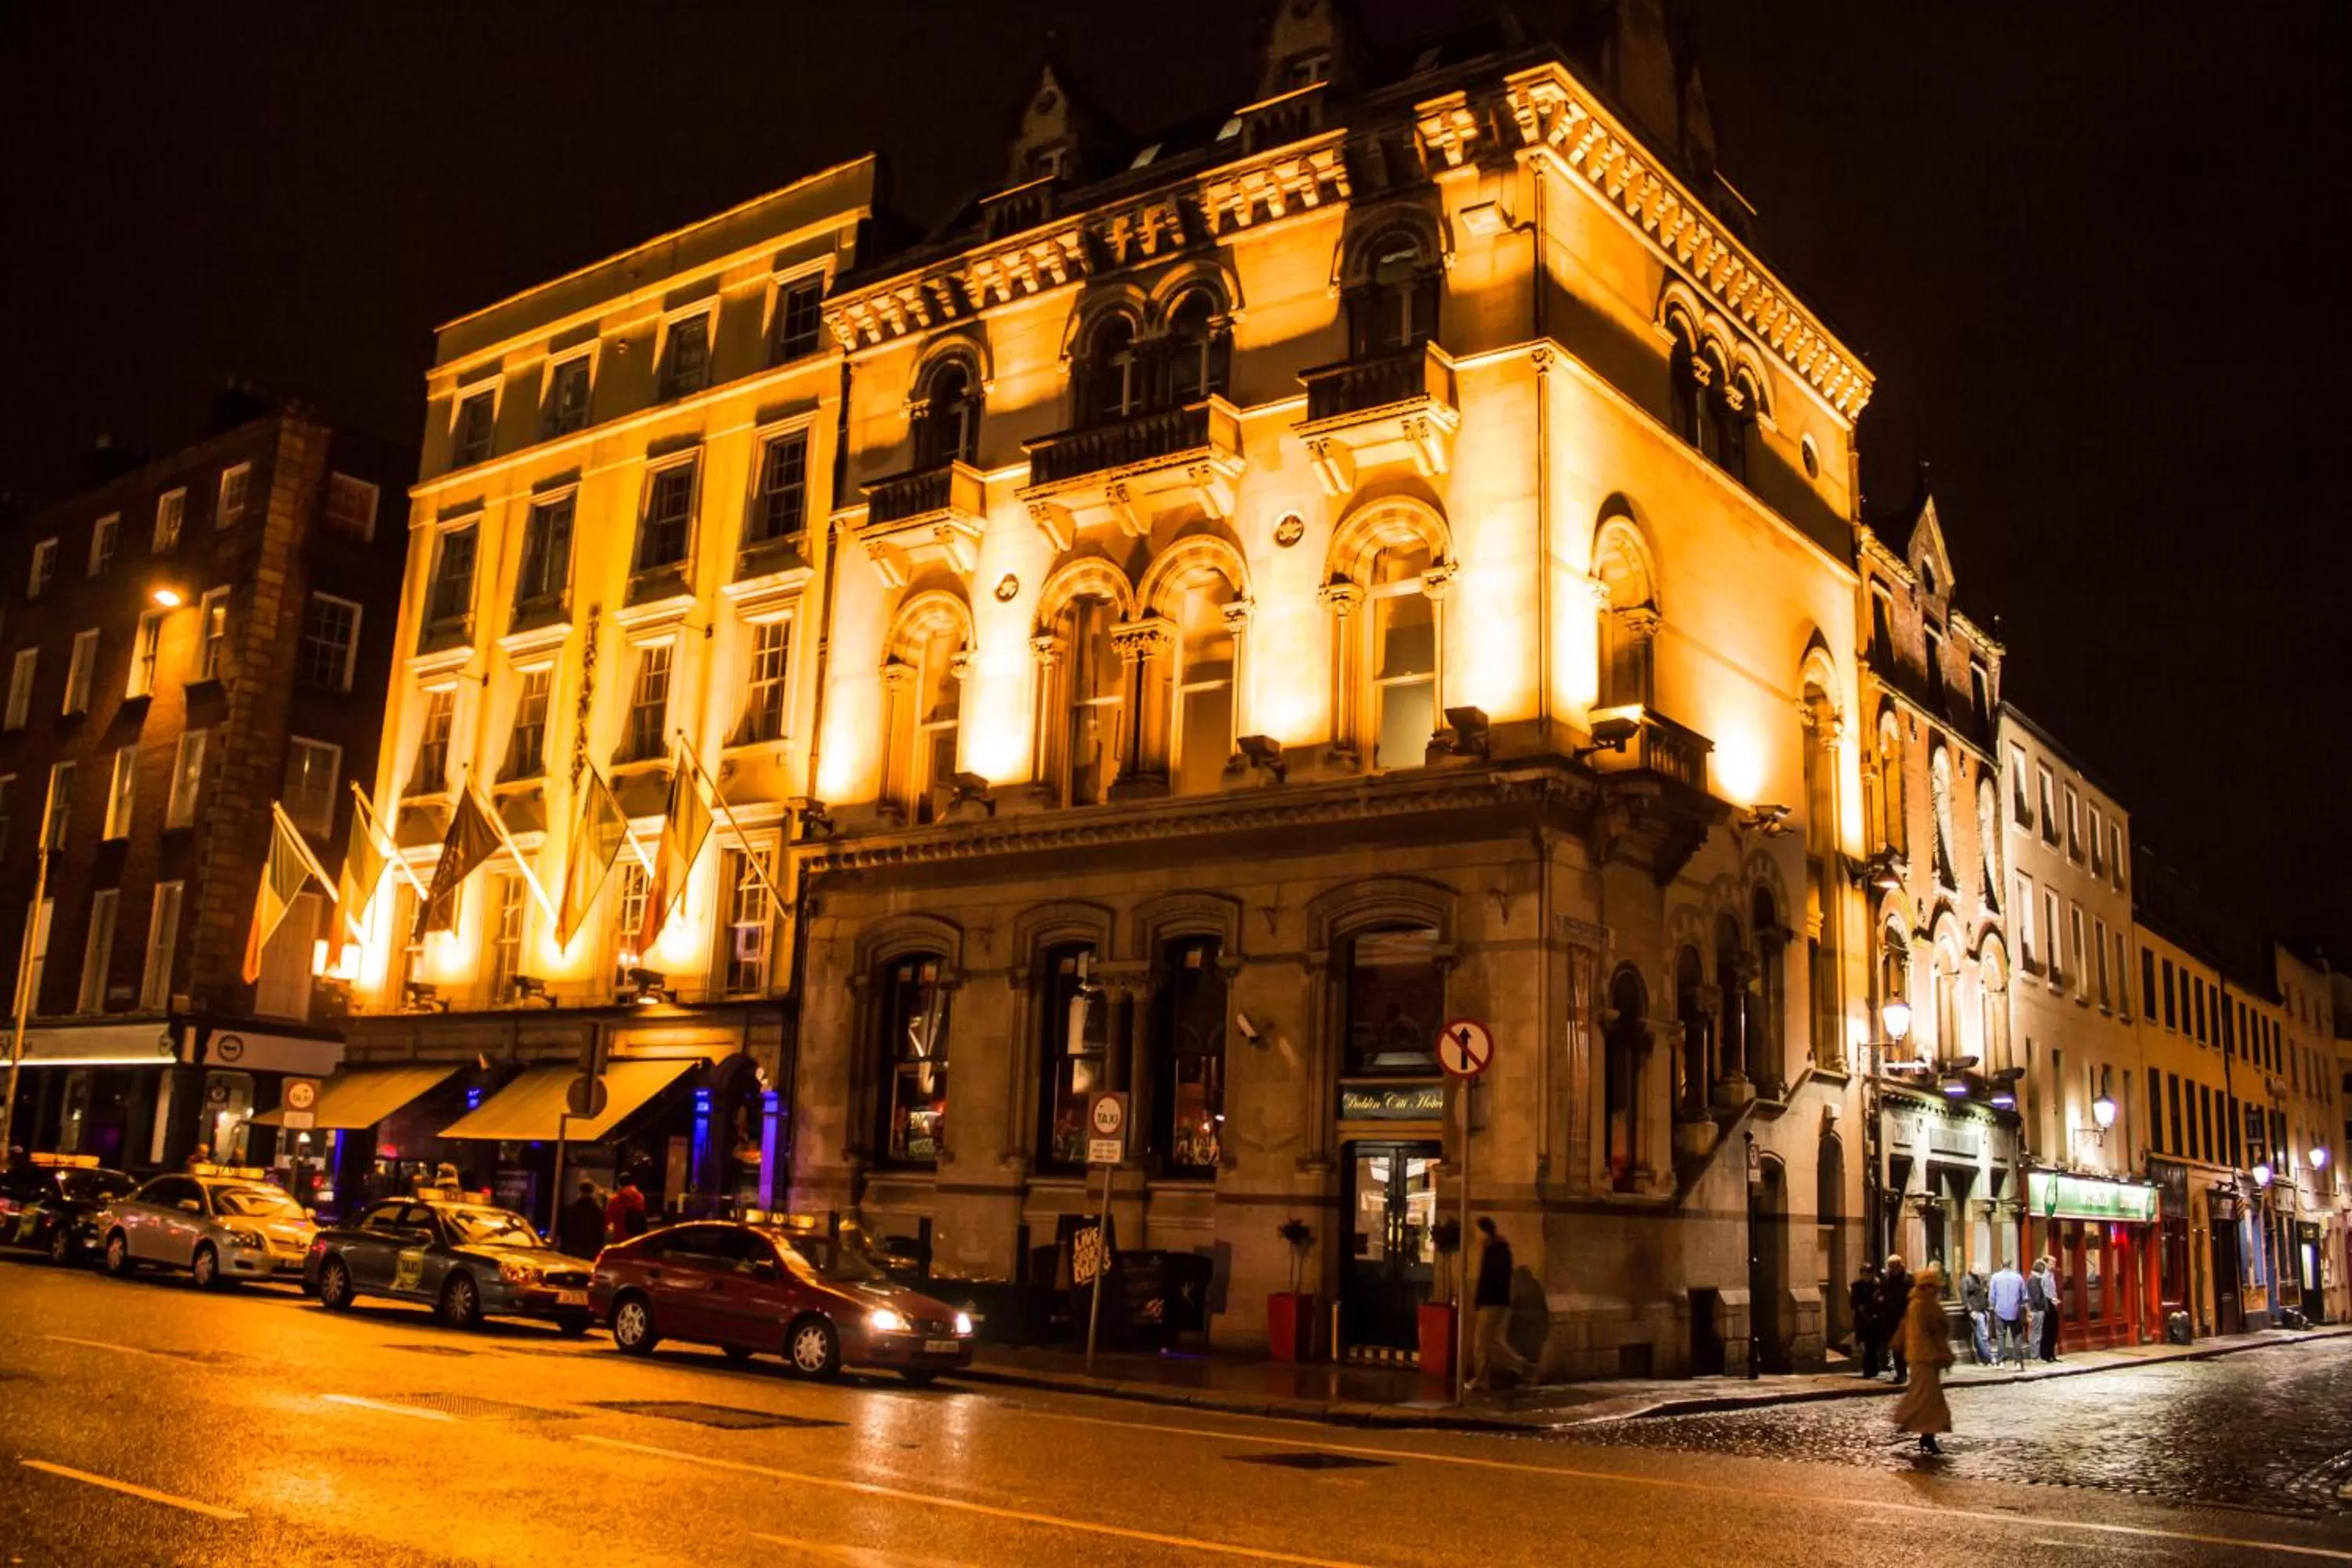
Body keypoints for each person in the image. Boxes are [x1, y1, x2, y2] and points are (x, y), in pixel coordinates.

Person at [1892, 1262, 1956, 1455]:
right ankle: (1911, 1424)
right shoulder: (1919, 1306)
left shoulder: (1925, 1305)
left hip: (1927, 1359)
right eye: (1932, 1287)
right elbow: (1922, 1335)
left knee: (1929, 1399)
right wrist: (1935, 1355)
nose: (1935, 1291)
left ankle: (1926, 1436)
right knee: (1925, 1398)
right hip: (1924, 1359)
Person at [1467, 1217, 1532, 1392]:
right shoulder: (1495, 1249)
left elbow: (1492, 1280)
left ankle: (1482, 1378)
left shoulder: (1496, 1251)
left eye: (1478, 1231)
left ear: (1485, 1232)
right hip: (1493, 1302)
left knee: (1481, 1343)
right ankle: (1519, 1366)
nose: (1476, 1236)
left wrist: (1481, 1299)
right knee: (1491, 1342)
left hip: (1491, 1302)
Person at [1876, 1254, 1912, 1385]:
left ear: (1899, 1265)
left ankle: (1906, 1372)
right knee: (1897, 1347)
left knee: (1905, 1346)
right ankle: (1901, 1373)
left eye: (1893, 1266)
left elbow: (1912, 1297)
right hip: (1891, 1317)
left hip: (1905, 1316)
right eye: (1889, 1266)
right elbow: (1882, 1293)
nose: (1891, 1269)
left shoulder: (1909, 1278)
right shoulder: (1887, 1278)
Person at [1988, 1258, 2029, 1367]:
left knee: (2001, 1336)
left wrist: (1992, 1307)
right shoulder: (2018, 1277)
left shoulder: (1995, 1278)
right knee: (2017, 1336)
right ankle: (2018, 1362)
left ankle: (2001, 1361)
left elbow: (1992, 1296)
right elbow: (2024, 1295)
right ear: (2011, 1265)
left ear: (2001, 1265)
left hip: (2000, 1310)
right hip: (2015, 1311)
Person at [558, 1179, 607, 1259]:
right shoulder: (597, 1210)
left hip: (573, 1249)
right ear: (592, 1192)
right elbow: (600, 1231)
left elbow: (565, 1229)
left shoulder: (572, 1209)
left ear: (580, 1191)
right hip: (591, 1250)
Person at [1850, 1264, 1884, 1377]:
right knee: (1866, 1345)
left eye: (1866, 1274)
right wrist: (1858, 1307)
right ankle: (1868, 1369)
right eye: (1862, 1274)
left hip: (1875, 1319)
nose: (1864, 1276)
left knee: (1873, 1345)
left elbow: (1880, 1302)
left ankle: (1873, 1368)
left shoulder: (1877, 1285)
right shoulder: (1857, 1286)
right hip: (1863, 1320)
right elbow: (1853, 1301)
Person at [2032, 1254, 2063, 1362]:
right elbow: (2043, 1292)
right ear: (2046, 1263)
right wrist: (2051, 1300)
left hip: (2053, 1303)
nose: (2054, 1265)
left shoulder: (2052, 1275)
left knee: (2054, 1330)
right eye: (2051, 1263)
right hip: (2046, 1304)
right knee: (2047, 1330)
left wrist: (2055, 1299)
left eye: (2055, 1263)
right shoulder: (2043, 1276)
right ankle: (2045, 1354)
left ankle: (2052, 1354)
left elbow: (2053, 1289)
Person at [1960, 1269, 1994, 1365]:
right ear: (1973, 1269)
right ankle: (1989, 1357)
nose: (1981, 1270)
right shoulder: (1967, 1280)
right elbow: (1964, 1297)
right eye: (1979, 1268)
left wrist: (1986, 1309)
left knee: (1980, 1335)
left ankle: (1983, 1358)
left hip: (1981, 1310)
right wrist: (1970, 1310)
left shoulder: (1979, 1280)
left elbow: (1983, 1296)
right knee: (1983, 1335)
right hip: (1975, 1311)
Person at [605, 1171, 648, 1243]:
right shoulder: (640, 1197)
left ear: (619, 1184)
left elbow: (607, 1219)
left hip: (621, 1238)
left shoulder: (617, 1199)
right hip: (637, 1238)